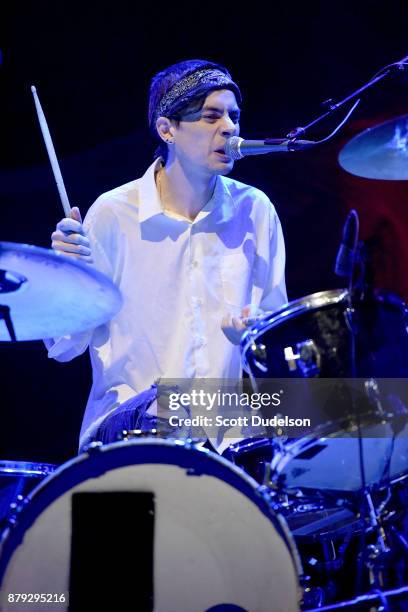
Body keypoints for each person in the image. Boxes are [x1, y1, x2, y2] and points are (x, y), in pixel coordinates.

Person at [46, 59, 287, 453]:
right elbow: (64, 345)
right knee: (170, 406)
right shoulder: (113, 213)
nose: (229, 127)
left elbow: (274, 341)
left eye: (234, 116)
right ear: (167, 129)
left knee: (336, 409)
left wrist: (254, 336)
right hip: (128, 429)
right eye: (211, 116)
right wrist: (65, 275)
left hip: (228, 437)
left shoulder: (255, 210)